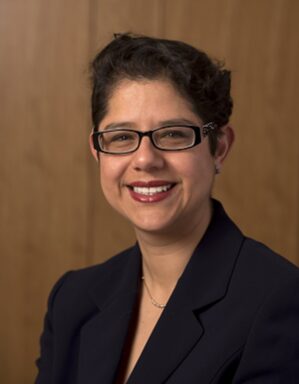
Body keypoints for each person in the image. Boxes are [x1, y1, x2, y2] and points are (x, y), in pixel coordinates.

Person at [35, 33, 299, 384]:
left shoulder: (279, 301)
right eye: (122, 137)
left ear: (218, 147)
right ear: (97, 151)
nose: (145, 159)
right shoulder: (72, 299)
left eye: (174, 134)